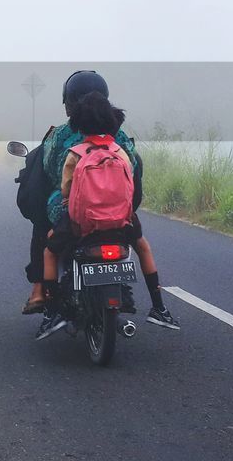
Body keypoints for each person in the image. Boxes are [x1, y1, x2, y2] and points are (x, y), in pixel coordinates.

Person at [34, 70, 180, 339]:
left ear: (70, 104)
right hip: (120, 216)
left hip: (80, 218)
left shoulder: (64, 139)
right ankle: (159, 308)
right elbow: (134, 173)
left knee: (49, 248)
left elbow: (56, 177)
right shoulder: (121, 143)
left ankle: (51, 311)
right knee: (142, 246)